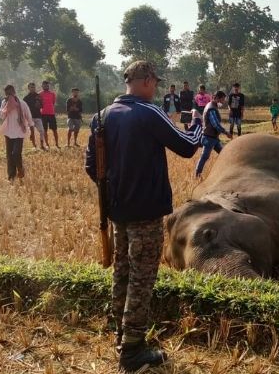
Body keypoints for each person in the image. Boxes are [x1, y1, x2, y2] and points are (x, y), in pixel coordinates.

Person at [84, 61, 203, 372]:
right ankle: (133, 350)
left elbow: (91, 167)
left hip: (118, 212)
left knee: (122, 270)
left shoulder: (102, 117)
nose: (156, 88)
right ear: (147, 80)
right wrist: (200, 126)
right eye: (155, 82)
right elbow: (187, 147)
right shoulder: (148, 112)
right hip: (146, 213)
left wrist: (116, 187)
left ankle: (121, 335)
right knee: (142, 276)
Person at [0, 85, 33, 182]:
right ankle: (11, 176)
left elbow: (29, 117)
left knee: (16, 153)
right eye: (7, 93)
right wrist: (6, 107)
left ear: (14, 92)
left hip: (19, 132)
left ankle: (20, 169)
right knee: (9, 155)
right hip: (8, 132)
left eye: (10, 92)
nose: (9, 95)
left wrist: (32, 131)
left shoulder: (22, 104)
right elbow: (1, 116)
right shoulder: (4, 103)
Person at [195, 91, 232, 178]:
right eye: (222, 99)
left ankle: (227, 172)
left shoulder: (211, 105)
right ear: (217, 98)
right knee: (205, 156)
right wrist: (226, 132)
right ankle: (197, 174)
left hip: (213, 137)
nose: (223, 101)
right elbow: (215, 124)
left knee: (223, 153)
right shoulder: (211, 108)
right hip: (209, 137)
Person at [24, 82, 47, 150]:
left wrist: (39, 105)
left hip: (38, 116)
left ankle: (42, 145)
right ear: (28, 88)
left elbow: (42, 106)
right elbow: (24, 109)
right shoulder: (26, 98)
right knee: (32, 132)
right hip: (30, 117)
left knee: (42, 131)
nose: (33, 89)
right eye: (31, 87)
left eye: (33, 87)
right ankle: (34, 145)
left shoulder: (38, 96)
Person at [39, 80, 60, 149]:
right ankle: (47, 144)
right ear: (42, 86)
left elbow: (53, 103)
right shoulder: (40, 94)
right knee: (45, 130)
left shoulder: (52, 94)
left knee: (55, 130)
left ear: (49, 86)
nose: (46, 86)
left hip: (51, 114)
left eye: (47, 85)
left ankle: (57, 144)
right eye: (44, 85)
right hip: (43, 114)